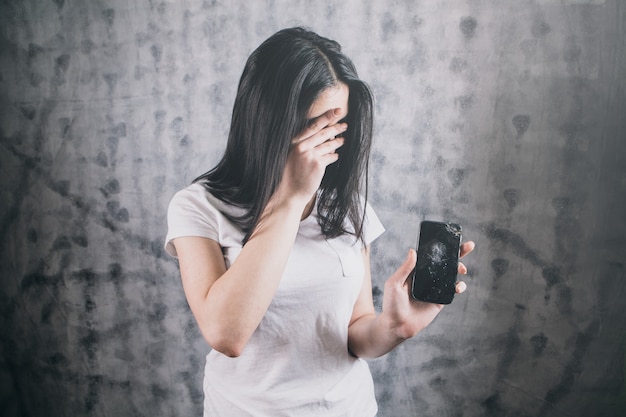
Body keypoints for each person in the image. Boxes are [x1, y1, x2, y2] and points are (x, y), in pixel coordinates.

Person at [165, 27, 475, 417]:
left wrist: (394, 326)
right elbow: (226, 334)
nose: (329, 142)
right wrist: (290, 198)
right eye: (316, 126)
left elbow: (353, 332)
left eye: (338, 127)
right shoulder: (197, 207)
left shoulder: (348, 207)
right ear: (268, 121)